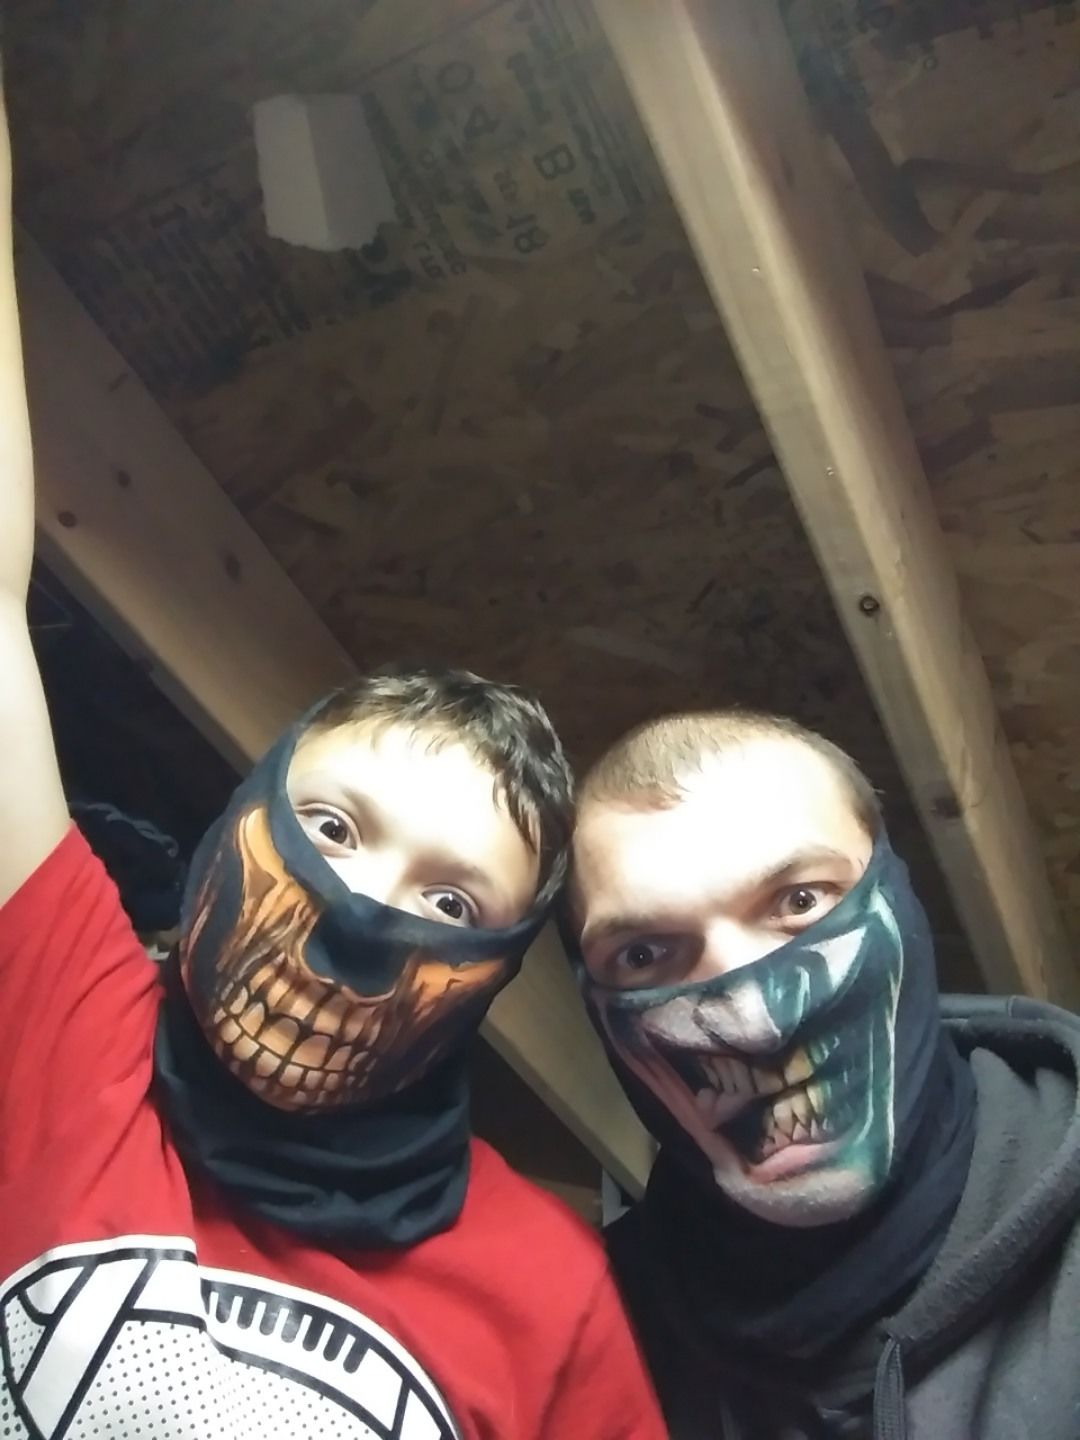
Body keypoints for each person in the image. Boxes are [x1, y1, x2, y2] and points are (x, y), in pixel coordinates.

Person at [0, 88, 666, 1440]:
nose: (360, 914)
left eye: (451, 901)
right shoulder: (70, 1023)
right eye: (336, 827)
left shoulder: (551, 1293)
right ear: (239, 816)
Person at [566, 707, 1080, 1439]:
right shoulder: (591, 1339)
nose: (755, 1023)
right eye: (644, 954)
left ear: (901, 901)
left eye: (800, 901)